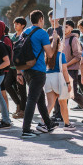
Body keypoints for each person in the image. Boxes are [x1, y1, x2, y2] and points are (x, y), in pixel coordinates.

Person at [18, 10, 59, 138]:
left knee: (40, 99)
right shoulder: (42, 33)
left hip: (26, 69)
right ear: (41, 19)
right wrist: (55, 40)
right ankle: (26, 129)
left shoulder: (25, 32)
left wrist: (19, 72)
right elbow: (50, 53)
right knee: (32, 99)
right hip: (38, 70)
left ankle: (48, 123)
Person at [44, 37, 76, 131]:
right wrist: (68, 83)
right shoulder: (61, 55)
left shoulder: (46, 55)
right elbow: (65, 70)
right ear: (58, 44)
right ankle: (67, 124)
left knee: (50, 104)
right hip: (58, 78)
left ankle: (42, 123)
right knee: (63, 103)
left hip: (47, 78)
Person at [4, 17, 27, 119]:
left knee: (21, 88)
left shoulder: (24, 36)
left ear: (22, 25)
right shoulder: (12, 37)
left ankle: (23, 110)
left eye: (17, 24)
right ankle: (18, 104)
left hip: (21, 66)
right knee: (7, 85)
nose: (15, 25)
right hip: (11, 66)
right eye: (14, 23)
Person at [63, 20, 83, 111]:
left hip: (72, 70)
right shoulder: (62, 39)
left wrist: (66, 65)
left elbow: (78, 56)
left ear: (72, 28)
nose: (64, 29)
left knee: (73, 94)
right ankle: (59, 114)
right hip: (63, 70)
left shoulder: (74, 39)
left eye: (66, 27)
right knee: (62, 93)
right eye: (63, 26)